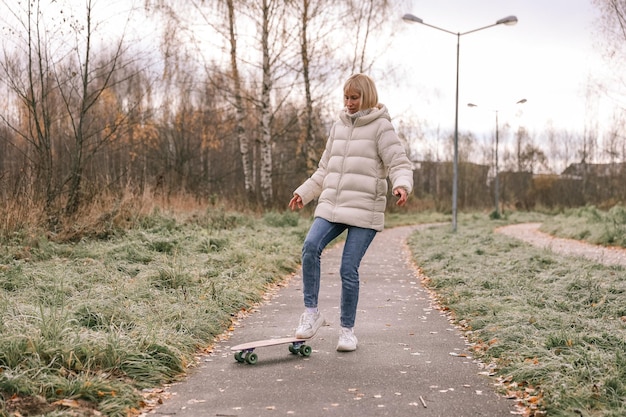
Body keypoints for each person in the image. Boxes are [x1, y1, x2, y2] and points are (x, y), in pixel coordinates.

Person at [288, 73, 414, 352]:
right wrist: (304, 192)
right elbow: (325, 169)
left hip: (364, 209)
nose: (349, 103)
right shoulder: (339, 126)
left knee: (348, 268)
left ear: (367, 96)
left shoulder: (381, 127)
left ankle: (347, 331)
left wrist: (402, 185)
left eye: (354, 97)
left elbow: (399, 163)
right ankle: (311, 313)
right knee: (310, 246)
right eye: (346, 97)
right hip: (332, 204)